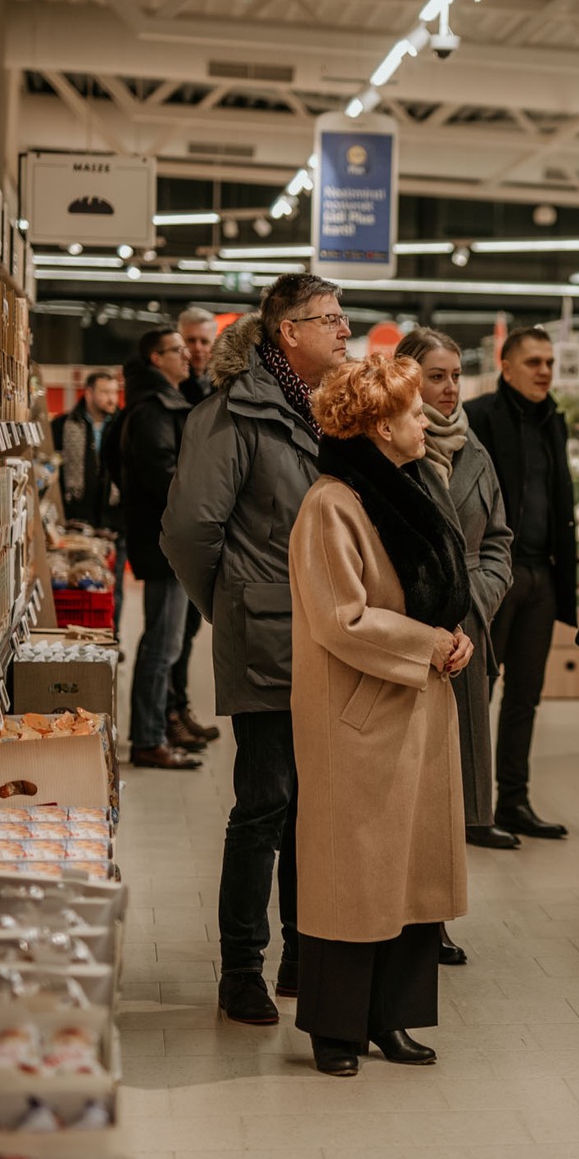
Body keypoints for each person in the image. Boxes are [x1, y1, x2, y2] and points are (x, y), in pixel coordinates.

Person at [161, 274, 348, 1027]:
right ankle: (242, 967)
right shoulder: (231, 413)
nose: (343, 330)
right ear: (286, 333)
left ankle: (306, 952)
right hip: (268, 634)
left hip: (331, 635)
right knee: (266, 801)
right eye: (328, 319)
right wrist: (232, 603)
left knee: (316, 804)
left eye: (344, 317)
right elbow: (188, 531)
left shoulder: (331, 412)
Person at [290, 352, 475, 1076]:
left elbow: (435, 587)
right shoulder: (330, 504)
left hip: (417, 706)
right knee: (353, 873)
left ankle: (393, 1017)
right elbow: (341, 620)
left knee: (410, 872)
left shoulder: (411, 486)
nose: (422, 420)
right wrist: (429, 643)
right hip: (358, 717)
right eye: (407, 411)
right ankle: (336, 1029)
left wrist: (452, 636)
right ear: (374, 425)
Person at [400, 328, 514, 964]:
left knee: (451, 791)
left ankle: (435, 916)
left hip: (467, 637)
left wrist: (477, 596)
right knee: (411, 785)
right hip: (411, 636)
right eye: (435, 376)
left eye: (454, 375)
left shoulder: (476, 454)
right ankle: (402, 911)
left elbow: (499, 541)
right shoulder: (388, 448)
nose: (447, 388)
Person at [466, 327, 576, 842]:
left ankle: (513, 800)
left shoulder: (554, 419)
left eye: (549, 362)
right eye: (533, 362)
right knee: (478, 692)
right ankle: (472, 808)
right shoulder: (481, 416)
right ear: (506, 366)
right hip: (495, 573)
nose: (544, 372)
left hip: (540, 573)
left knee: (525, 696)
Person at [121, 329, 200, 772]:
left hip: (164, 542)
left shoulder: (163, 402)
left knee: (165, 643)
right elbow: (164, 477)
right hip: (162, 544)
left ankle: (153, 734)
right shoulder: (153, 410)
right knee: (161, 645)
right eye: (177, 351)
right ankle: (149, 739)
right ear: (156, 358)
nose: (186, 357)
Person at [167, 306, 221, 750]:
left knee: (184, 631)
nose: (199, 349)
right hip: (177, 528)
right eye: (191, 342)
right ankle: (170, 713)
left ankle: (179, 707)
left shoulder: (215, 390)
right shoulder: (171, 394)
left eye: (206, 341)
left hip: (203, 523)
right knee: (169, 635)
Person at [51, 370, 126, 624]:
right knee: (75, 582)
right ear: (89, 393)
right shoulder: (62, 426)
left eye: (114, 392)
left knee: (112, 587)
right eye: (105, 392)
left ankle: (110, 635)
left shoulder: (123, 427)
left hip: (112, 523)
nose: (111, 398)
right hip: (74, 525)